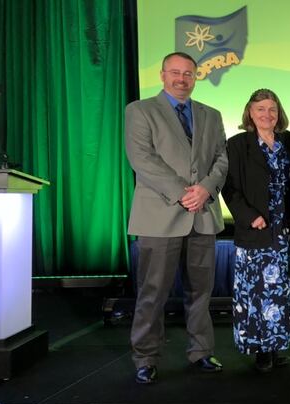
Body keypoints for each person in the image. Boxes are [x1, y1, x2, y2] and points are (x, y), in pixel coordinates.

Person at [125, 52, 228, 384]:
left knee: (201, 291)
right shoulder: (139, 110)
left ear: (196, 77)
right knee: (153, 291)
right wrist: (185, 192)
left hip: (202, 215)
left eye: (188, 73)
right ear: (162, 74)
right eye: (175, 72)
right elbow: (142, 158)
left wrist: (206, 189)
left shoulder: (211, 115)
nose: (181, 79)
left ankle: (200, 351)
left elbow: (221, 160)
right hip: (160, 216)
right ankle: (146, 356)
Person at [222, 89, 290, 373]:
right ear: (250, 113)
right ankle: (261, 350)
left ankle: (278, 345)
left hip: (285, 230)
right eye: (261, 109)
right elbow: (228, 187)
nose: (267, 114)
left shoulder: (289, 141)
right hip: (256, 228)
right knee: (256, 293)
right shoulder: (237, 144)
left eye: (272, 109)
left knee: (282, 291)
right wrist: (248, 215)